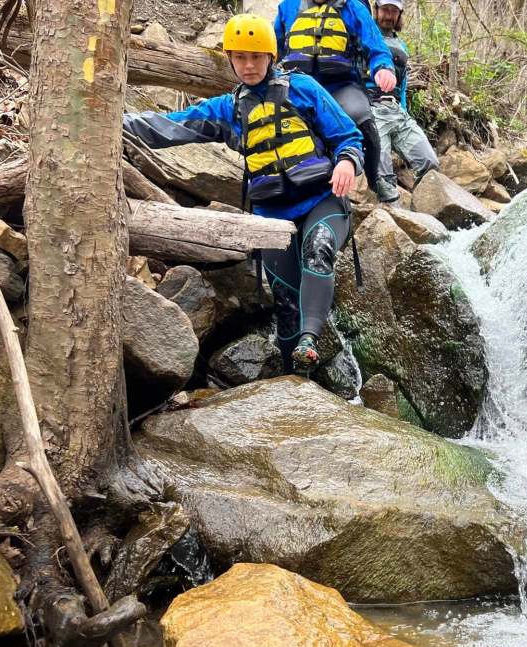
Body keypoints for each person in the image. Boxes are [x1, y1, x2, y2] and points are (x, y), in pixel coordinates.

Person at [122, 14, 364, 372]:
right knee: (284, 302)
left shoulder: (304, 89)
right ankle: (294, 379)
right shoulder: (228, 109)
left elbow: (348, 136)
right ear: (231, 59)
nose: (248, 66)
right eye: (240, 57)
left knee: (319, 248)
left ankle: (310, 341)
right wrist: (117, 123)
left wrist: (346, 161)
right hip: (272, 214)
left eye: (256, 57)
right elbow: (174, 125)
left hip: (322, 200)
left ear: (271, 56)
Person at [274, 0, 400, 202]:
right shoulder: (288, 6)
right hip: (299, 86)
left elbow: (376, 46)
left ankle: (375, 178)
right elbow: (273, 49)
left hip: (340, 86)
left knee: (365, 123)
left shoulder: (353, 8)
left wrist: (384, 67)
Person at [367, 0, 439, 199]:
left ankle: (420, 208)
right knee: (382, 176)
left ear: (399, 15)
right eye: (385, 10)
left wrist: (404, 110)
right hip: (371, 107)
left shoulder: (401, 45)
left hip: (397, 110)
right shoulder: (364, 36)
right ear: (376, 10)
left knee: (429, 163)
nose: (388, 16)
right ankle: (391, 217)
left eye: (393, 11)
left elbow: (404, 84)